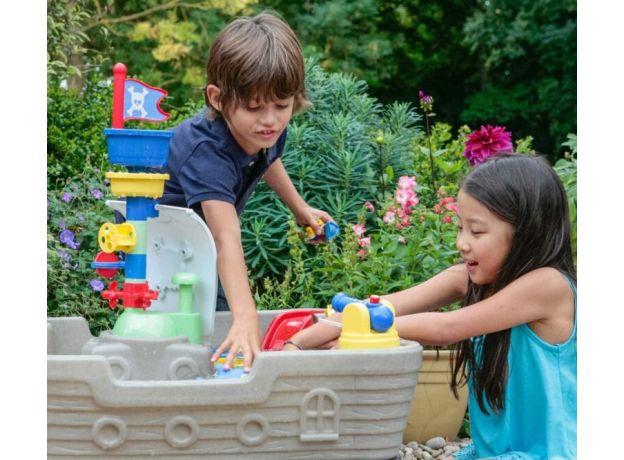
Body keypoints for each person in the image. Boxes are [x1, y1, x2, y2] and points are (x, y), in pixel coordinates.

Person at [283, 153, 576, 459]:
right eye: (460, 228)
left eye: (476, 231)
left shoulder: (548, 286)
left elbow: (445, 328)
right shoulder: (469, 279)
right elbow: (387, 306)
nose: (461, 243)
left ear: (526, 232)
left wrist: (361, 331)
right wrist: (296, 346)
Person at [159, 11, 333, 373]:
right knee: (200, 327)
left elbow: (267, 160)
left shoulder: (264, 130)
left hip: (201, 245)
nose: (270, 120)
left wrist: (301, 209)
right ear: (218, 99)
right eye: (255, 107)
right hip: (161, 250)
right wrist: (246, 316)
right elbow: (226, 239)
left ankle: (223, 375)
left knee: (221, 318)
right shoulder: (206, 151)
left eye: (282, 106)